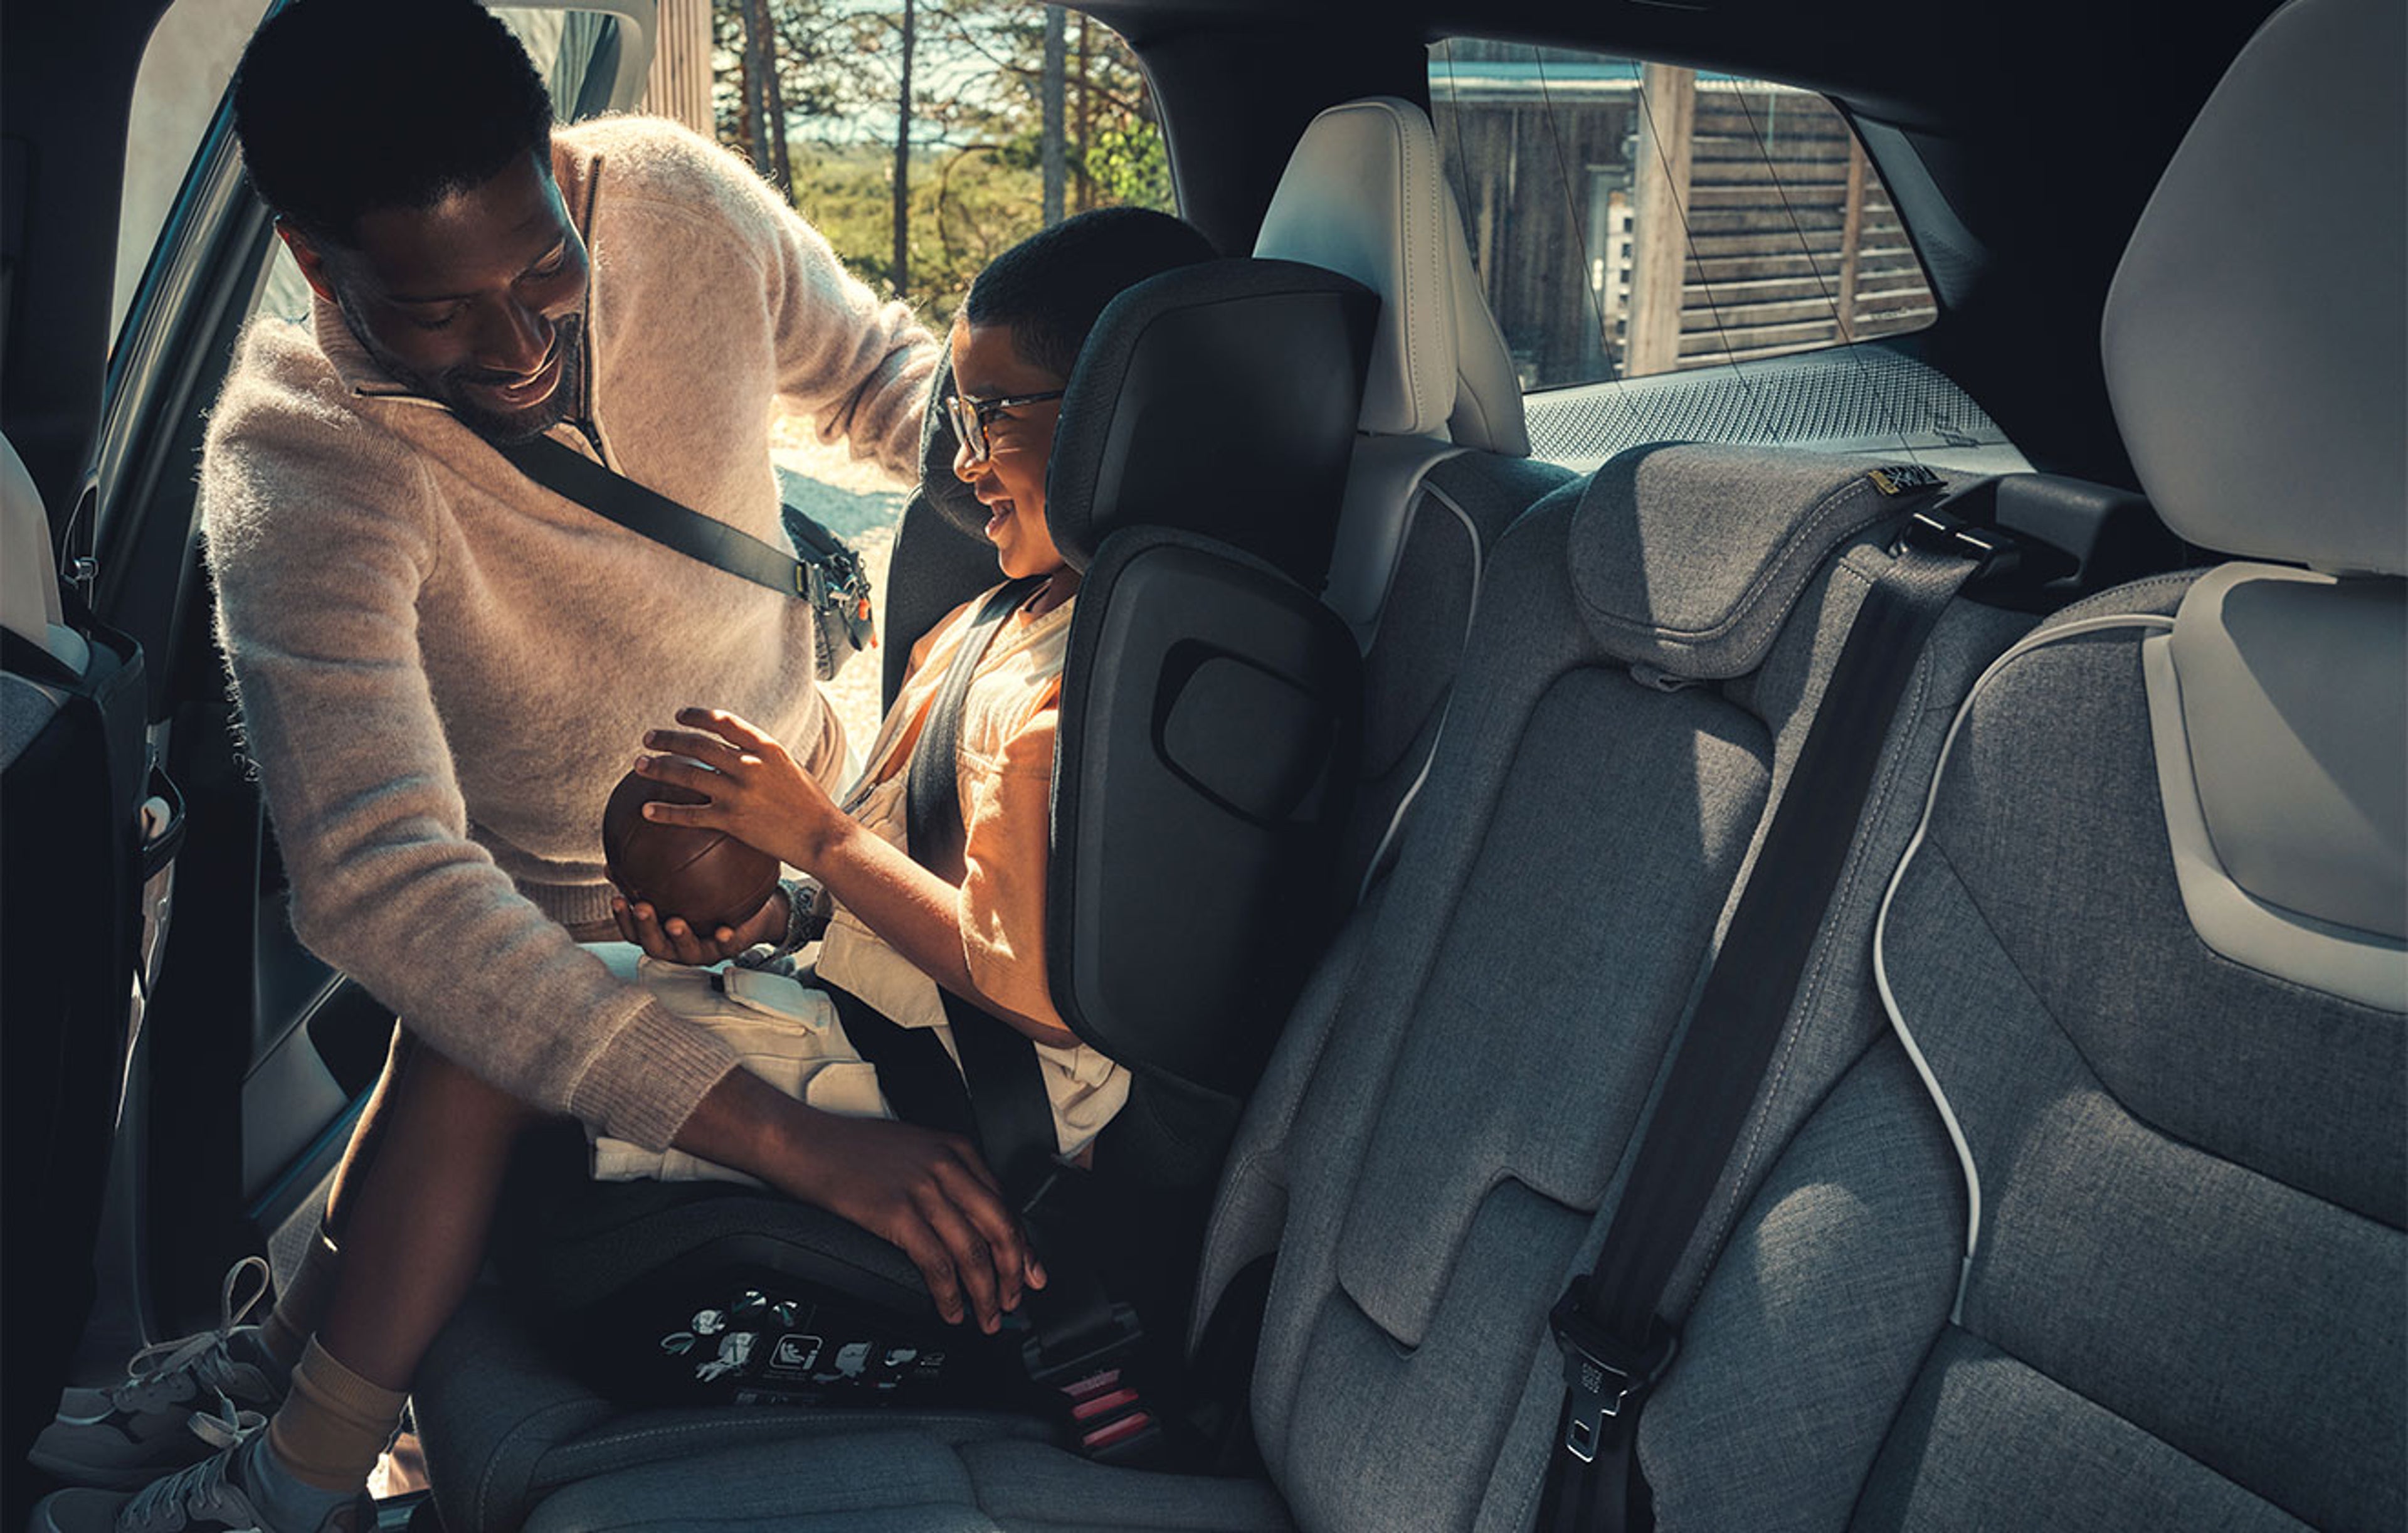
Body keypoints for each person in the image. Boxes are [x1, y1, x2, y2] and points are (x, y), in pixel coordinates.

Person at [29, 3, 1037, 1530]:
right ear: (314, 263)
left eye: (545, 267)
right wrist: (792, 1138)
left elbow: (889, 384)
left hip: (804, 828)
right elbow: (388, 887)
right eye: (436, 313)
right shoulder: (298, 460)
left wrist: (1076, 533)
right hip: (558, 916)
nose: (516, 349)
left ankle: (283, 1430)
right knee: (480, 1006)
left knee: (469, 1040)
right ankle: (279, 1386)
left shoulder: (679, 204)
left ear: (563, 170)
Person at [611, 207, 1220, 1174]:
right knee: (516, 1002)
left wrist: (819, 835)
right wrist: (772, 923)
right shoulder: (973, 630)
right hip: (871, 1013)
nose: (964, 459)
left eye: (995, 416)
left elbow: (1032, 997)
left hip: (972, 1080)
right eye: (958, 416)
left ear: (1120, 417)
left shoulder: (1088, 696)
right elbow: (898, 890)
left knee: (494, 1034)